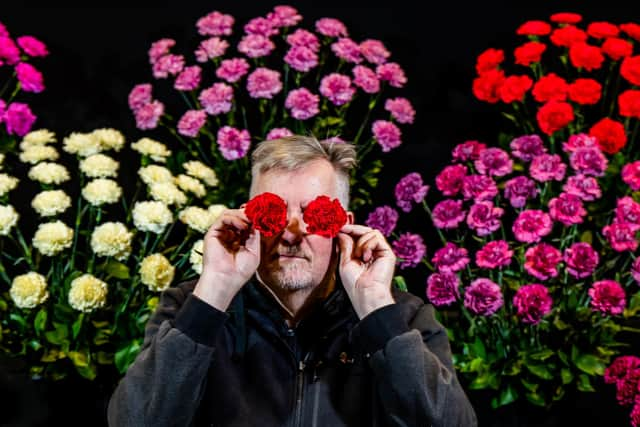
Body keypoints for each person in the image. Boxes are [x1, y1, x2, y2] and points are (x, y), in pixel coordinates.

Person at [107, 135, 477, 427]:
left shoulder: (405, 317)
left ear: (344, 224)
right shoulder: (189, 308)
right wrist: (215, 287)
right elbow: (135, 421)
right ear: (246, 218)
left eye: (316, 214)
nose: (291, 232)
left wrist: (376, 310)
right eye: (273, 211)